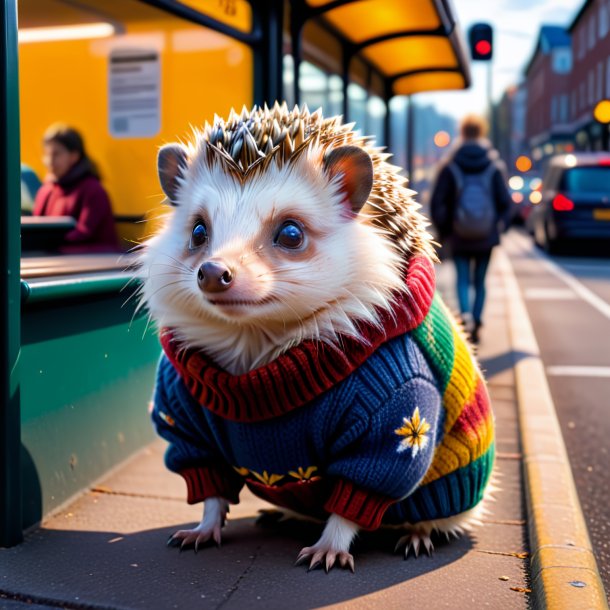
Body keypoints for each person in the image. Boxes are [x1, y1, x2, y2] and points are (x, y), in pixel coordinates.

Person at [430, 114, 511, 344]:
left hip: (459, 234)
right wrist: (498, 227)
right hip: (486, 235)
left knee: (462, 279)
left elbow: (438, 202)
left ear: (462, 133)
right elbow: (506, 203)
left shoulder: (450, 164)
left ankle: (465, 317)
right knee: (481, 281)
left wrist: (446, 230)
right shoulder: (494, 165)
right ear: (481, 133)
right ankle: (477, 319)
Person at [33, 124, 120, 254]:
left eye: (56, 154)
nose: (49, 161)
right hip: (57, 260)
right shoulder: (46, 191)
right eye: (47, 154)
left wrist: (47, 244)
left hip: (97, 266)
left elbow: (83, 234)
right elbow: (36, 229)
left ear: (74, 156)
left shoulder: (93, 190)